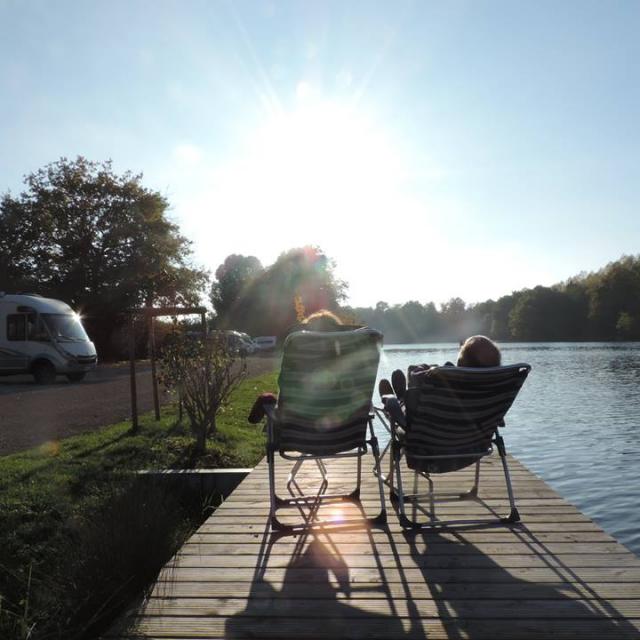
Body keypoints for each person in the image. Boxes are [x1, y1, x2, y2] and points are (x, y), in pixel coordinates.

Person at [247, 309, 346, 423]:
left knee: (267, 398)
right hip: (342, 436)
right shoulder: (350, 368)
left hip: (295, 433)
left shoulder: (295, 362)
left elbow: (284, 399)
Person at [379, 335, 501, 400]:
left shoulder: (456, 383)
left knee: (411, 374)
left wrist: (428, 371)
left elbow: (415, 375)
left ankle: (401, 399)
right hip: (475, 434)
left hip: (431, 432)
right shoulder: (492, 393)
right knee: (447, 366)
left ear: (461, 362)